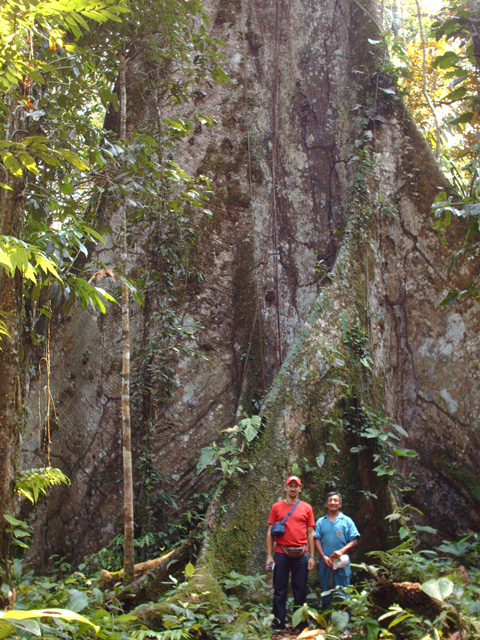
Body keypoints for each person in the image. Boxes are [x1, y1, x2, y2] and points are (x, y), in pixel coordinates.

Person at [266, 476, 316, 630]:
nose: (293, 489)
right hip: (281, 552)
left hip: (301, 553)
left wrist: (312, 557)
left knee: (300, 588)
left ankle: (300, 622)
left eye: (296, 486)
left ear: (300, 489)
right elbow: (270, 532)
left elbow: (310, 533)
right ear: (285, 488)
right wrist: (269, 556)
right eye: (290, 486)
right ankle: (278, 622)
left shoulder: (307, 508)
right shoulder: (277, 507)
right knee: (280, 588)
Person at [314, 491, 360, 610]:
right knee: (326, 591)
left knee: (343, 591)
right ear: (326, 504)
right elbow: (316, 539)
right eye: (330, 501)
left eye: (335, 501)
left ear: (340, 504)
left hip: (341, 562)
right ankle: (326, 623)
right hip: (326, 562)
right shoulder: (321, 522)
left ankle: (345, 624)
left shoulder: (347, 521)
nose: (333, 503)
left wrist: (341, 551)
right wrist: (323, 556)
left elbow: (354, 540)